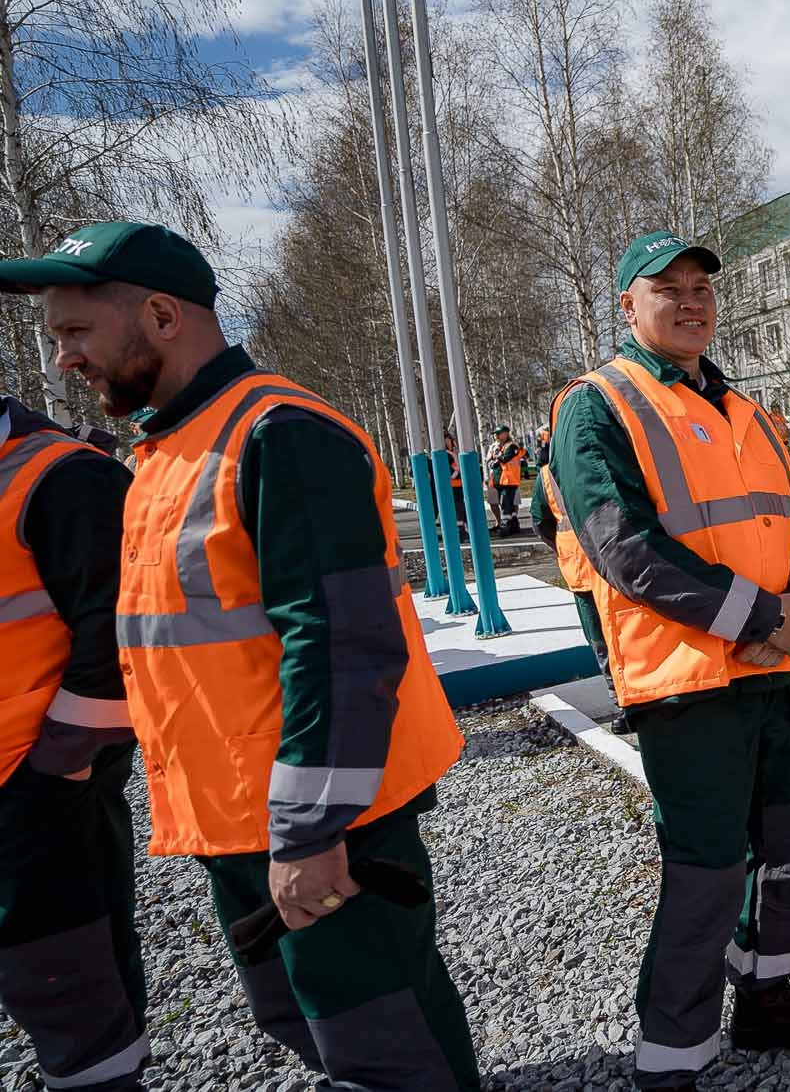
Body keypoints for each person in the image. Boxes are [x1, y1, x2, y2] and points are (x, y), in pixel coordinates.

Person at [2, 222, 479, 1089]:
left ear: (158, 314)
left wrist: (310, 830)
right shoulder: (168, 446)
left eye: (75, 333)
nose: (62, 361)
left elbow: (341, 643)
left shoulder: (279, 433)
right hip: (238, 818)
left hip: (320, 826)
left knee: (384, 1046)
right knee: (304, 1020)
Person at [546, 231, 790, 1089]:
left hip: (772, 673)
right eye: (668, 287)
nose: (692, 301)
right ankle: (670, 1059)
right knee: (707, 875)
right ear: (627, 305)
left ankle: (766, 1000)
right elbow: (626, 547)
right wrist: (762, 615)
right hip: (687, 684)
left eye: (702, 287)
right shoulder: (596, 405)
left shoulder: (747, 409)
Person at [0, 394, 147, 1090]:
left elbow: (121, 644)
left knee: (72, 1003)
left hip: (32, 801)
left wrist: (55, 772)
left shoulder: (64, 476)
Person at [529, 437, 628, 735]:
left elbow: (540, 521)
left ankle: (623, 703)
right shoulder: (608, 454)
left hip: (584, 570)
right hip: (618, 568)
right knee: (621, 636)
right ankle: (633, 700)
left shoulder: (546, 475)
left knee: (601, 641)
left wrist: (564, 547)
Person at [487, 425, 526, 535]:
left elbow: (504, 459)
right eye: (495, 434)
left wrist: (497, 456)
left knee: (505, 504)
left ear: (505, 434)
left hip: (509, 480)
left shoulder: (511, 446)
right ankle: (514, 524)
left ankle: (505, 526)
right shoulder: (501, 446)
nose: (496, 436)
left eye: (498, 434)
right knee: (507, 503)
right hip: (501, 480)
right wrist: (496, 457)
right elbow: (493, 463)